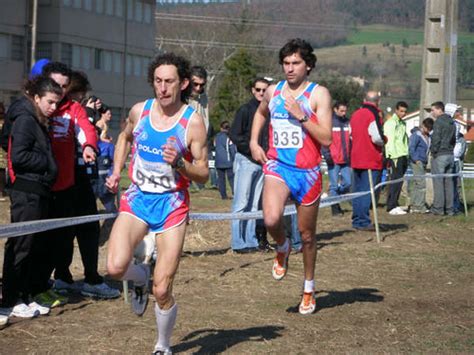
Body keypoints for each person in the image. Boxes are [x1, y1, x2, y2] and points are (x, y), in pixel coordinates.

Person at [106, 52, 208, 354]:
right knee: (114, 267)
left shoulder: (193, 122)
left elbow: (202, 172)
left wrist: (180, 163)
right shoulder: (140, 111)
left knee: (162, 289)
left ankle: (163, 345)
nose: (162, 88)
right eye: (158, 81)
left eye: (169, 82)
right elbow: (123, 138)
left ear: (184, 83)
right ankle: (139, 277)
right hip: (138, 198)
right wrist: (115, 171)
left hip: (171, 204)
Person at [250, 38, 332, 315]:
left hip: (308, 173)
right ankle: (282, 246)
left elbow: (327, 139)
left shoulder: (319, 95)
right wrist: (254, 142)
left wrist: (302, 117)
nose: (290, 68)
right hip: (278, 165)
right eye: (286, 63)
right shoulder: (273, 92)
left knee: (307, 236)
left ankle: (308, 288)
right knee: (271, 218)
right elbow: (260, 114)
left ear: (308, 65)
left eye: (296, 63)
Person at [29, 62, 99, 308]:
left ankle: (47, 283)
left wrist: (90, 145)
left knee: (60, 239)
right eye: (56, 85)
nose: (60, 90)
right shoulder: (34, 106)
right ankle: (27, 288)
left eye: (64, 86)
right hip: (36, 185)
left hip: (64, 185)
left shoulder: (72, 108)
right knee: (33, 240)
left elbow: (86, 130)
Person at [51, 70, 120, 299]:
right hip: (65, 180)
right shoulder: (54, 111)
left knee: (87, 228)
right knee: (66, 231)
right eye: (79, 94)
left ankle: (89, 277)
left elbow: (89, 133)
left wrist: (91, 145)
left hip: (84, 178)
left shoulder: (79, 111)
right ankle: (63, 276)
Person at [0, 76, 62, 320]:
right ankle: (9, 300)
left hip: (36, 190)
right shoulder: (26, 120)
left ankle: (21, 296)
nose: (54, 108)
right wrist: (48, 163)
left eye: (57, 103)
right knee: (20, 245)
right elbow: (19, 156)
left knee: (30, 245)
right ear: (36, 98)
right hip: (26, 190)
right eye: (50, 102)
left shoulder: (36, 118)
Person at [229, 78, 271, 253]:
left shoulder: (269, 112)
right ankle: (238, 242)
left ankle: (251, 240)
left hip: (262, 163)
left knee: (254, 204)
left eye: (264, 90)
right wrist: (251, 150)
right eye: (259, 90)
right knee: (241, 201)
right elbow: (234, 134)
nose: (261, 93)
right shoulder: (245, 110)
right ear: (253, 90)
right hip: (246, 160)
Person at [350, 91, 384, 230]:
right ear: (378, 101)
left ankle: (357, 218)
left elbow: (351, 135)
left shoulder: (355, 114)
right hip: (370, 158)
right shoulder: (373, 114)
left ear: (364, 99)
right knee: (366, 191)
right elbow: (376, 137)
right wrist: (384, 140)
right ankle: (362, 221)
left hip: (356, 156)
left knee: (357, 191)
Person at [321, 102, 351, 216]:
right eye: (341, 111)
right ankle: (335, 208)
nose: (344, 113)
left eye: (345, 111)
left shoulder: (347, 122)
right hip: (333, 159)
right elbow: (324, 141)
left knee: (348, 183)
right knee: (333, 185)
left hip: (345, 159)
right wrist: (327, 156)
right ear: (335, 110)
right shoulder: (329, 123)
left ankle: (334, 196)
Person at [429, 101, 456, 216]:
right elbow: (453, 139)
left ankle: (438, 208)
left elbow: (436, 139)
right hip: (450, 155)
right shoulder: (452, 122)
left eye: (433, 110)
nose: (431, 112)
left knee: (438, 182)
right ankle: (449, 209)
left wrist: (433, 151)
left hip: (440, 154)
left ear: (439, 109)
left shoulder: (438, 122)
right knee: (449, 183)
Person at [384, 101, 409, 215]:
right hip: (395, 156)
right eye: (401, 111)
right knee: (395, 180)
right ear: (396, 110)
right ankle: (391, 205)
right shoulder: (391, 123)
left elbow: (404, 140)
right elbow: (389, 140)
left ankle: (394, 202)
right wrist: (390, 156)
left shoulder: (403, 123)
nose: (403, 113)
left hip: (403, 154)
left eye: (405, 111)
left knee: (399, 181)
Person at [408, 117, 434, 213]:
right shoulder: (416, 135)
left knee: (416, 184)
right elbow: (411, 148)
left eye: (429, 129)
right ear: (422, 125)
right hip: (417, 162)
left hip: (423, 162)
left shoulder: (428, 137)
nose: (427, 130)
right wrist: (416, 159)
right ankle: (420, 206)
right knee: (421, 184)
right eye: (426, 128)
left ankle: (414, 204)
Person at [214, 120, 236, 199]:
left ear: (221, 128)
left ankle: (223, 195)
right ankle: (234, 193)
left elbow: (215, 146)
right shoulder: (229, 138)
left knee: (221, 179)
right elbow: (232, 149)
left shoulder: (216, 137)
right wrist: (234, 159)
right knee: (231, 179)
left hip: (218, 161)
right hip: (228, 161)